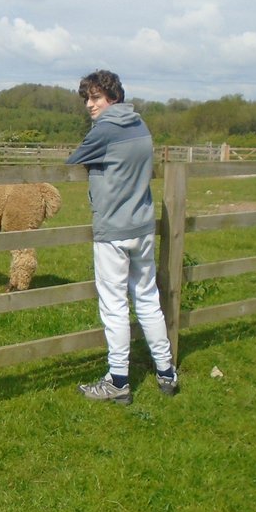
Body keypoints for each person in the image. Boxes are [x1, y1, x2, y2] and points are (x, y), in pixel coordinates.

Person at [66, 70, 178, 404]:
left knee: (114, 306)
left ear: (113, 97)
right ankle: (166, 372)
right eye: (87, 98)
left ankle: (118, 381)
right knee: (147, 299)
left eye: (96, 97)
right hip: (142, 226)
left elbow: (74, 159)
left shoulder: (105, 130)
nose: (89, 104)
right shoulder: (141, 126)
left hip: (113, 230)